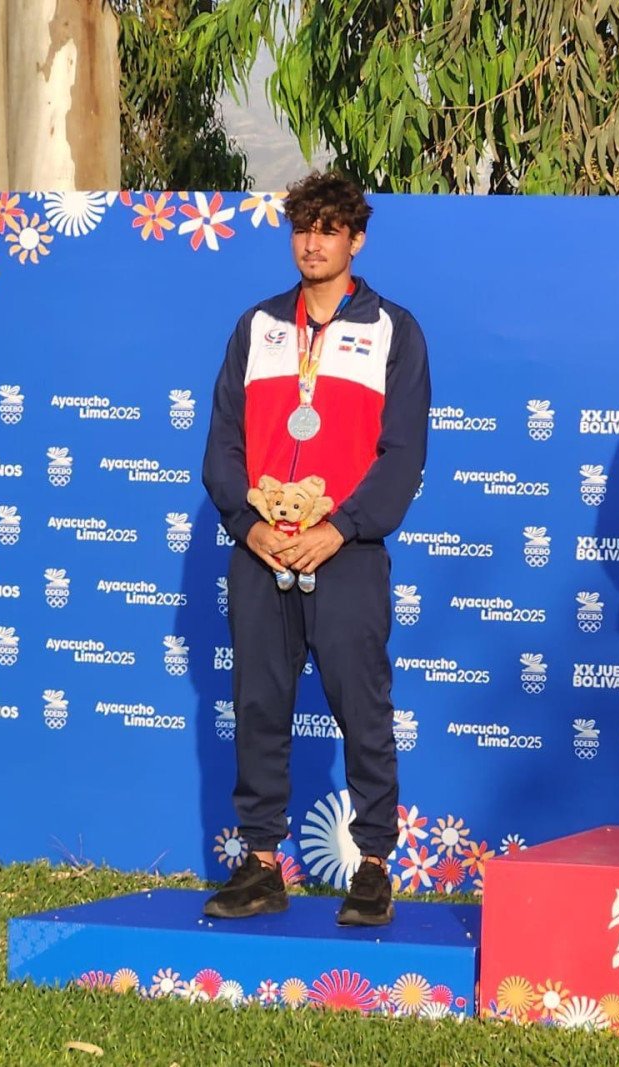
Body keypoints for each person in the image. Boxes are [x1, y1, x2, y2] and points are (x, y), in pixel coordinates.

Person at [202, 171, 430, 926]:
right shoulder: (257, 326)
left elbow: (402, 457)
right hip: (262, 549)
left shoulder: (394, 329)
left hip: (346, 550)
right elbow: (222, 449)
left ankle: (371, 864)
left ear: (356, 239)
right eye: (303, 227)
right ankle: (262, 862)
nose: (313, 241)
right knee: (258, 704)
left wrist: (341, 528)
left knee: (360, 705)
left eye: (329, 228)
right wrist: (250, 525)